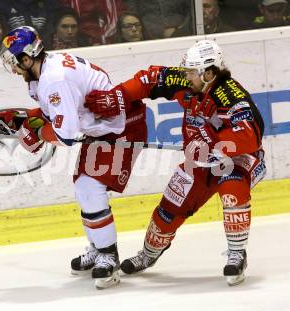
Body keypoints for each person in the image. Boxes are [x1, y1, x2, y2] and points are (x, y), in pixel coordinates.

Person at [84, 40, 266, 286]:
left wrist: (216, 144)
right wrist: (117, 96)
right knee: (168, 211)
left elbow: (250, 134)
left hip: (238, 158)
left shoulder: (230, 95)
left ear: (209, 73)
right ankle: (148, 255)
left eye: (191, 72)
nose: (186, 76)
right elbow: (151, 78)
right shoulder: (187, 82)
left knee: (232, 188)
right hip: (199, 161)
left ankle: (236, 254)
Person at [0, 26, 147, 289]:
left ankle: (108, 256)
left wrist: (36, 134)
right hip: (102, 128)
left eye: (14, 61)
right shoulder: (43, 71)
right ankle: (98, 245)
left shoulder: (54, 79)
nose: (12, 69)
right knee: (84, 188)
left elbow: (65, 134)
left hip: (122, 128)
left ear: (26, 58)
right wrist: (17, 119)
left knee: (90, 186)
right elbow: (53, 113)